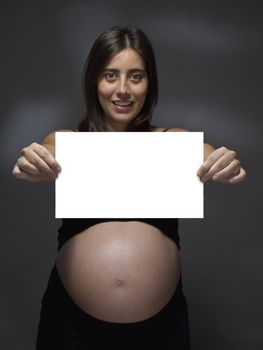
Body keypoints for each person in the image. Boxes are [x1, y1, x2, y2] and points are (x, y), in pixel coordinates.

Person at [12, 26, 246, 350]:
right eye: (111, 75)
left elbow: (208, 155)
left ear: (149, 84)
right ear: (94, 81)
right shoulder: (70, 141)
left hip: (160, 330)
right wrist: (32, 164)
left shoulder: (171, 141)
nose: (123, 89)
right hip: (72, 327)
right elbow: (47, 153)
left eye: (135, 76)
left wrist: (224, 161)